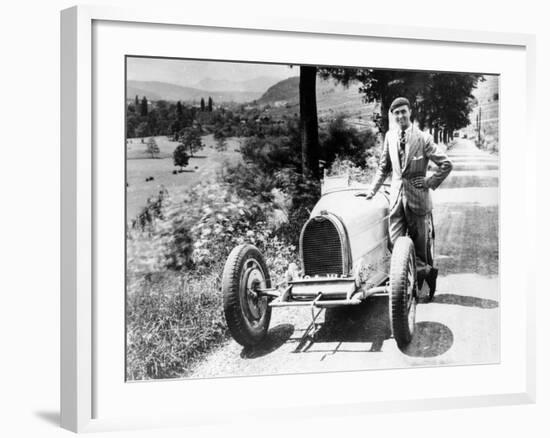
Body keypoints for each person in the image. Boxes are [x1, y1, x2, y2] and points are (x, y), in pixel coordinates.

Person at [365, 97, 453, 299]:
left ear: (410, 112)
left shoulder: (423, 138)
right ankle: (427, 272)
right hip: (395, 200)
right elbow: (383, 167)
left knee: (420, 248)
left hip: (418, 200)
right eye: (396, 113)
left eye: (403, 111)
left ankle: (416, 285)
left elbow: (446, 164)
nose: (400, 116)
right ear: (392, 115)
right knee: (395, 246)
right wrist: (371, 191)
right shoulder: (389, 136)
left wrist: (430, 182)